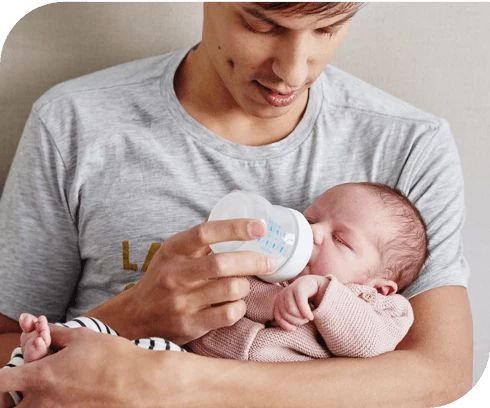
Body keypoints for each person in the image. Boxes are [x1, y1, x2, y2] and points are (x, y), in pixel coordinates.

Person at [0, 2, 472, 407]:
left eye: (328, 27)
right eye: (263, 25)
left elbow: (439, 373)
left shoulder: (409, 146)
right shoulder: (75, 124)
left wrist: (168, 381)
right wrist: (131, 315)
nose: (294, 70)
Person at [3, 181, 425, 406]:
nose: (312, 234)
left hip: (252, 397)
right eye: (312, 218)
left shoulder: (382, 307)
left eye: (340, 240)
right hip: (175, 359)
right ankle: (46, 354)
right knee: (106, 343)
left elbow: (373, 344)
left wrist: (326, 293)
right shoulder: (268, 274)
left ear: (379, 283)